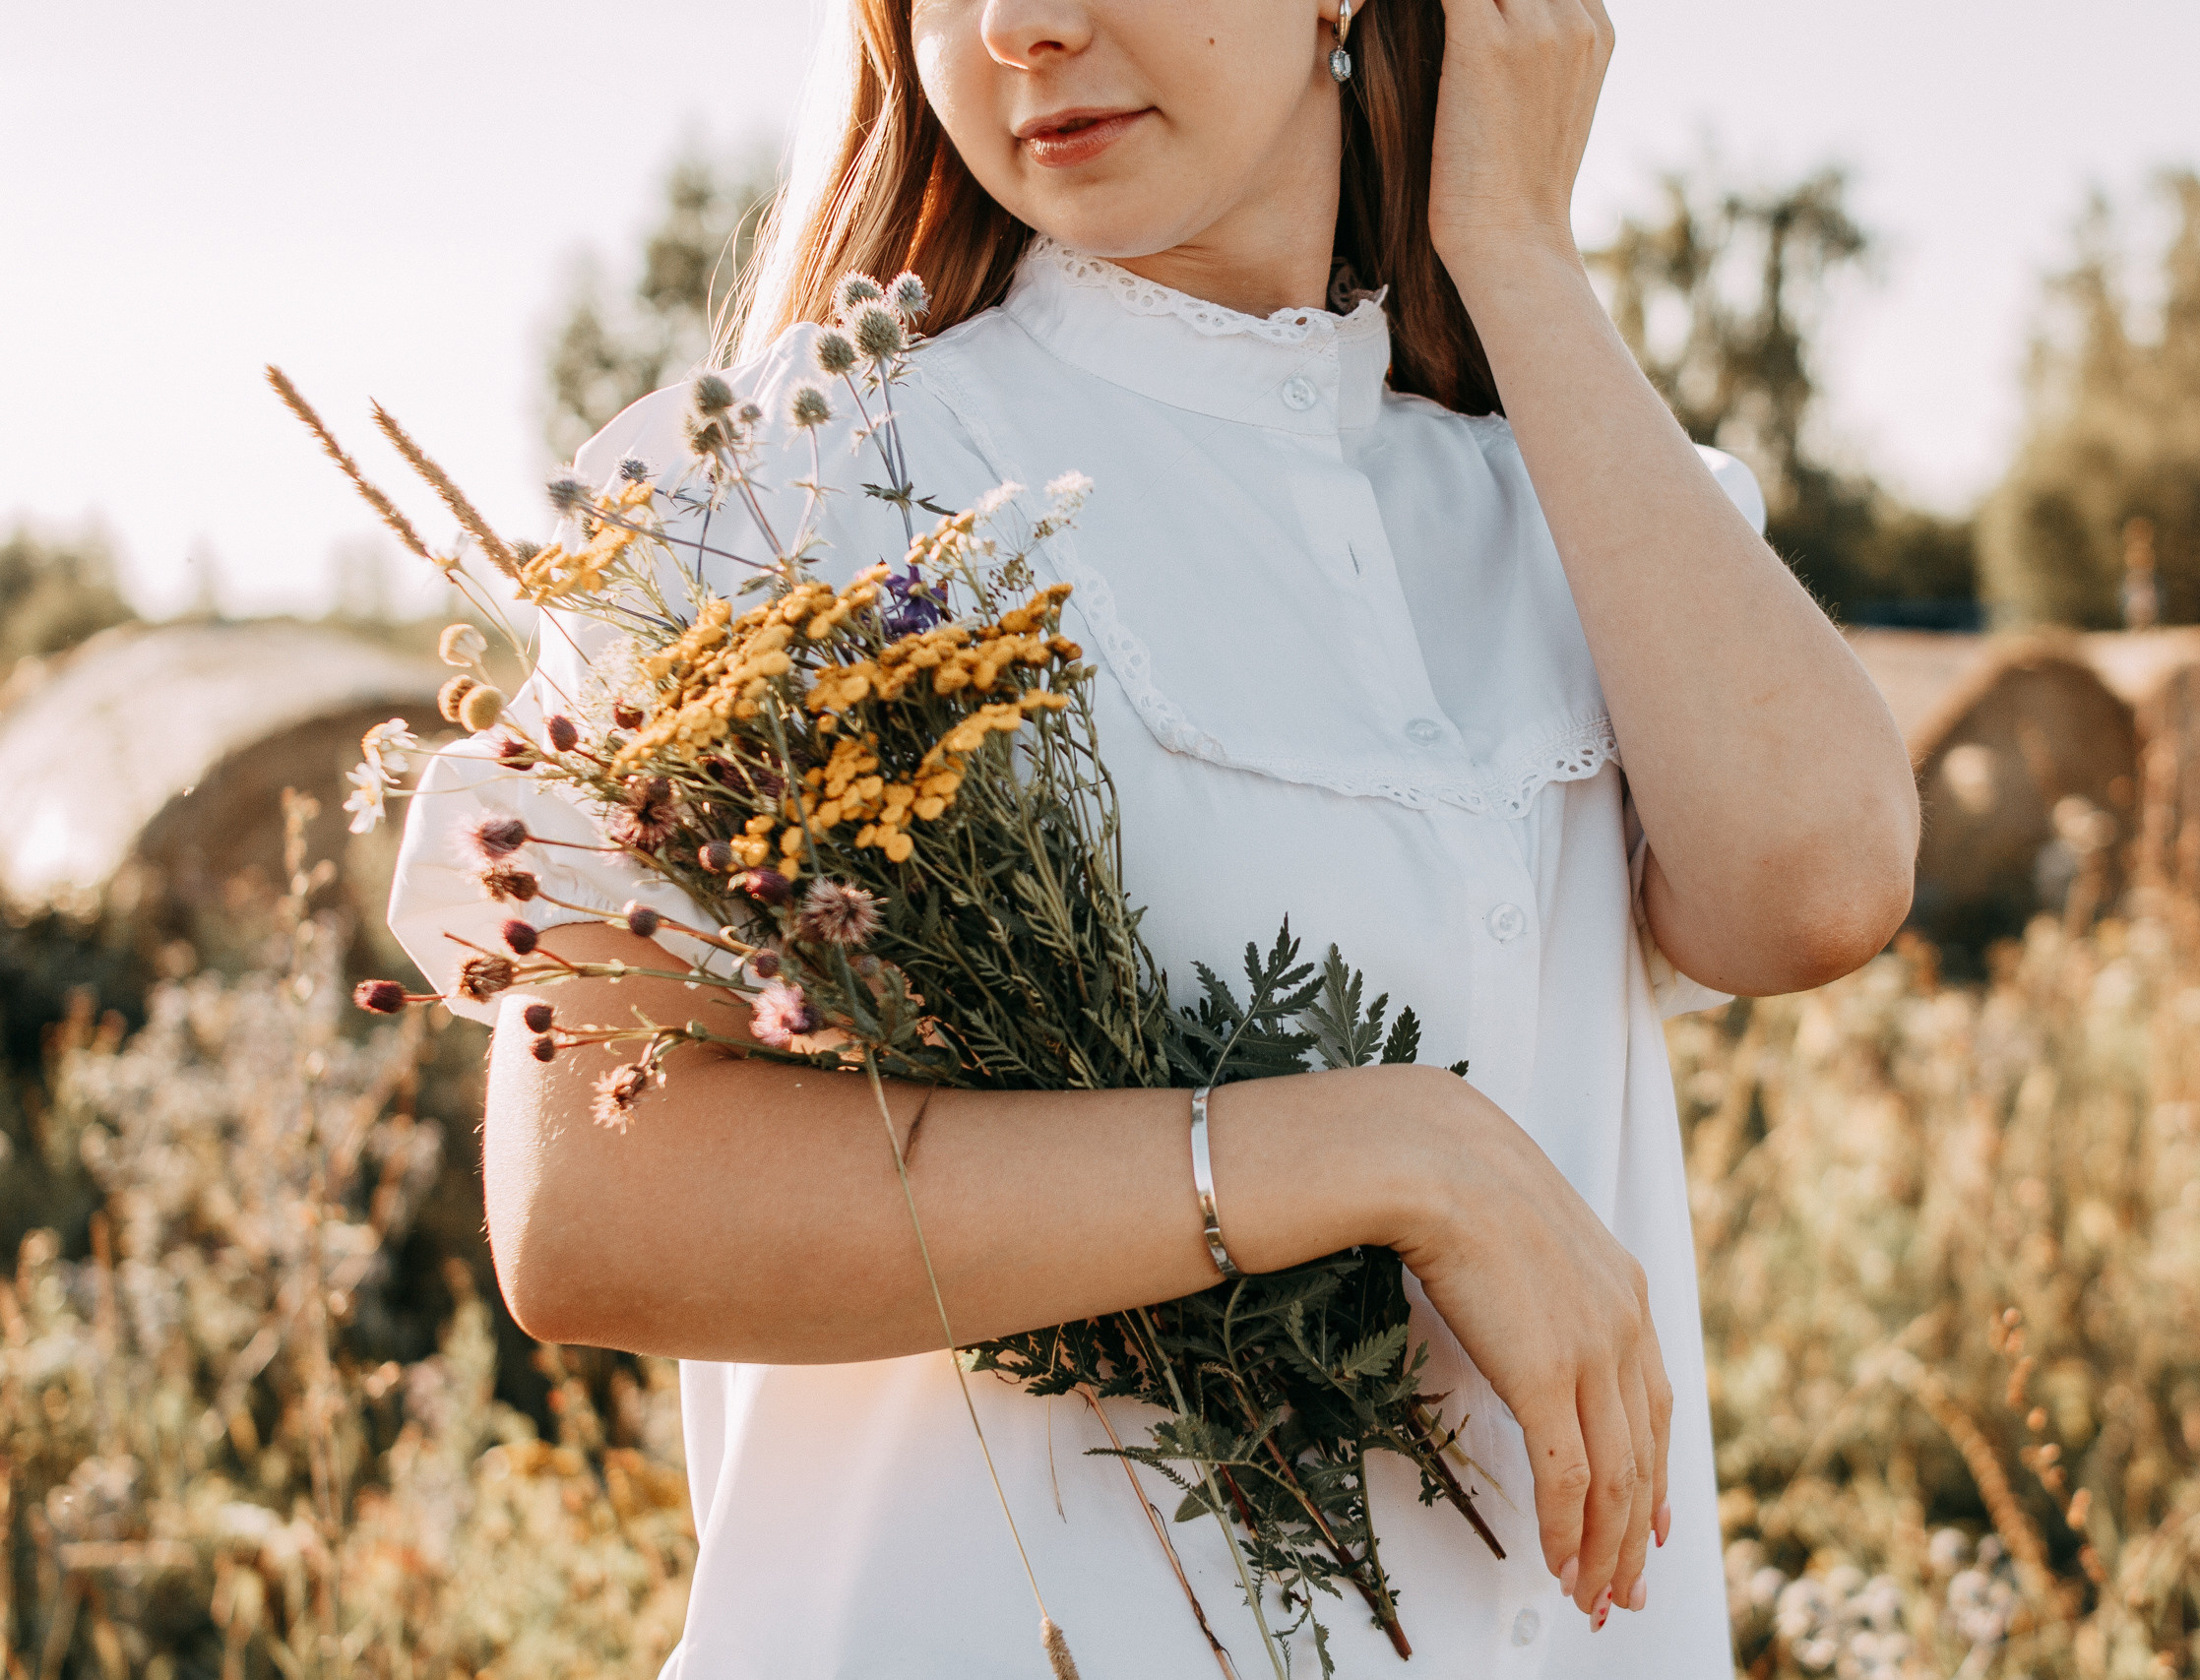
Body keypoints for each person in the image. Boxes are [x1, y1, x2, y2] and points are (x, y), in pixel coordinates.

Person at [386, 0, 1917, 1672]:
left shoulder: (1559, 502)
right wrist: (1389, 1157)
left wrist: (1517, 252)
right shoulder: (785, 498)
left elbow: (1818, 888)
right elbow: (592, 1211)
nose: (1018, 26)